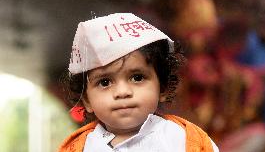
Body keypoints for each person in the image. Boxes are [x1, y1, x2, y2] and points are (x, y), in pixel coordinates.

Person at [58, 13, 219, 152]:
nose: (122, 92)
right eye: (105, 82)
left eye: (137, 78)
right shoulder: (80, 148)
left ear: (162, 87)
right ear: (86, 100)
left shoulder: (185, 140)